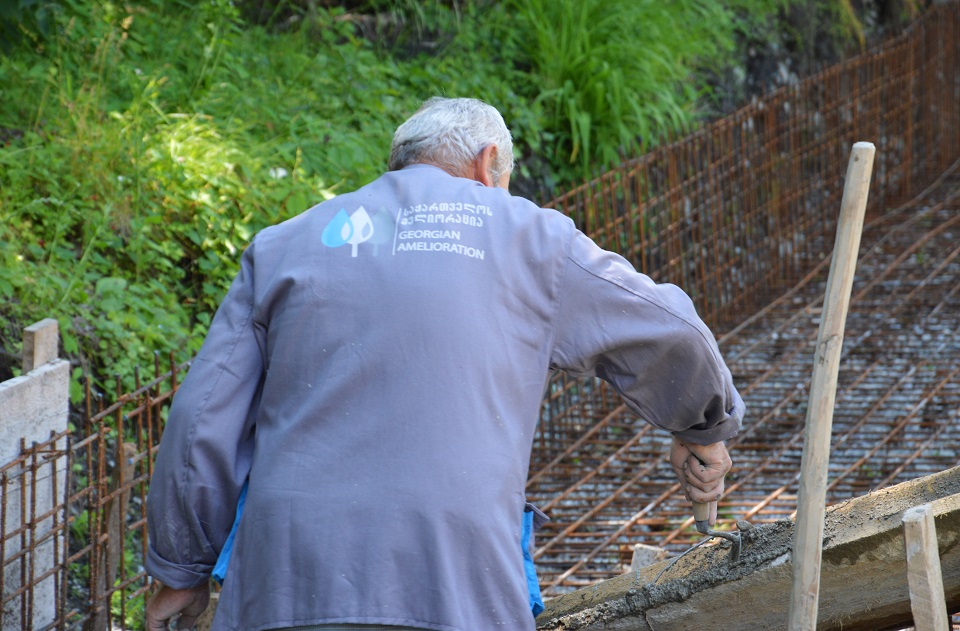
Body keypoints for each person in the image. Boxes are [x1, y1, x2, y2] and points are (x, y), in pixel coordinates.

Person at [144, 96, 745, 631]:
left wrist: (181, 570)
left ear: (399, 163)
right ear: (489, 163)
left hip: (285, 579)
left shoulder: (284, 243)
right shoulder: (533, 238)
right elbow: (671, 328)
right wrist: (703, 426)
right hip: (456, 580)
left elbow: (203, 417)